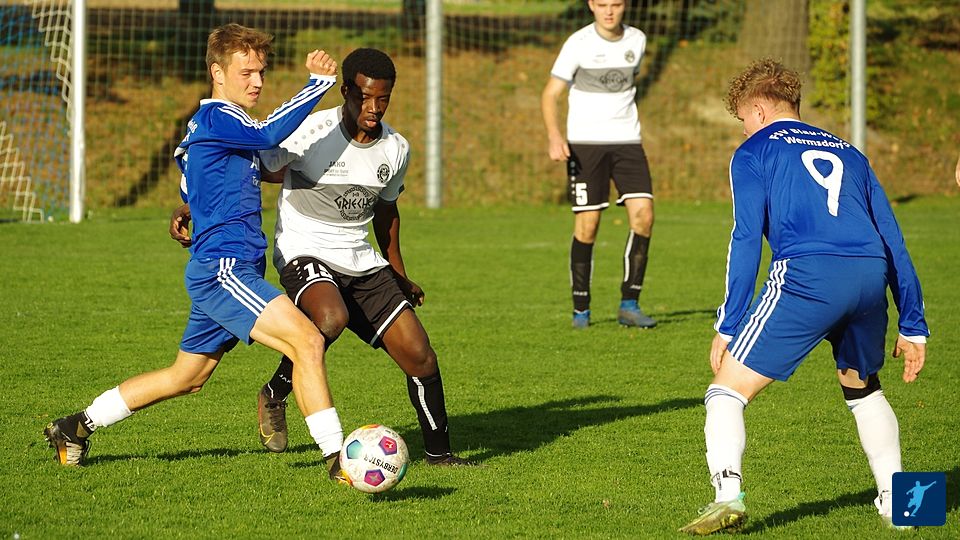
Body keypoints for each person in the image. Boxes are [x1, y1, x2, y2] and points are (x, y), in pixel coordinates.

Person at [44, 24, 346, 475]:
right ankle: (340, 459)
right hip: (225, 269)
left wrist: (187, 209)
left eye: (261, 72)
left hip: (223, 268)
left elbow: (211, 180)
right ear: (217, 73)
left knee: (187, 377)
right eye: (246, 72)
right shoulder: (220, 117)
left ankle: (76, 426)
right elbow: (267, 136)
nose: (257, 82)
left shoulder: (219, 128)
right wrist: (318, 84)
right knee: (307, 340)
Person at [171, 48, 475, 466]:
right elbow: (249, 166)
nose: (373, 108)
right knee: (330, 317)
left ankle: (440, 455)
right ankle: (278, 395)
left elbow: (387, 212)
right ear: (346, 92)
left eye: (383, 99)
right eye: (364, 97)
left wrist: (399, 275)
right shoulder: (311, 130)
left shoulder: (396, 148)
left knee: (420, 354)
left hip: (361, 259)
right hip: (303, 248)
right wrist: (196, 205)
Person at [679, 59, 928, 535]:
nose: (744, 128)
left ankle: (727, 497)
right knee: (864, 389)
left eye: (743, 118)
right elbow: (893, 239)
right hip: (869, 274)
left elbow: (746, 238)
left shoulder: (754, 151)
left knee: (725, 392)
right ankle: (905, 508)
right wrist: (913, 324)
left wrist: (728, 324)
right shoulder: (850, 152)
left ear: (758, 110)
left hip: (807, 275)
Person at [540, 0, 656, 329]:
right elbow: (550, 94)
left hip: (628, 142)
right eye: (602, 4)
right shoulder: (578, 43)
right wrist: (554, 136)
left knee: (644, 216)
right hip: (585, 145)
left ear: (625, 5)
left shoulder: (637, 40)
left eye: (615, 4)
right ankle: (581, 309)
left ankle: (630, 304)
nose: (609, 11)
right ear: (591, 5)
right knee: (588, 225)